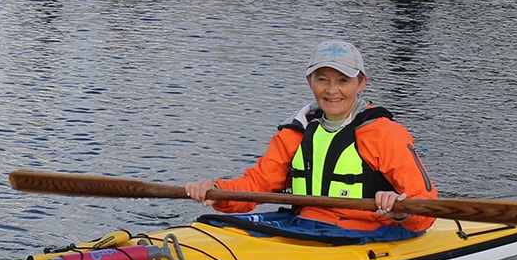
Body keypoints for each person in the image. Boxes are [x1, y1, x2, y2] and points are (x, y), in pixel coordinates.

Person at [185, 40, 437, 242]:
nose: (332, 90)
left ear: (361, 84)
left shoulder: (384, 134)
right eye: (322, 79)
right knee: (217, 223)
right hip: (305, 227)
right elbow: (257, 185)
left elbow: (424, 203)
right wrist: (217, 192)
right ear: (310, 81)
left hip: (365, 232)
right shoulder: (298, 131)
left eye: (343, 80)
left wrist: (400, 209)